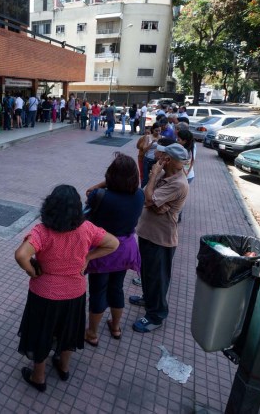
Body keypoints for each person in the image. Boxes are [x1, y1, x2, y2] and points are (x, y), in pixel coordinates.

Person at [15, 185, 119, 392]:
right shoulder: (87, 229)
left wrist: (31, 271)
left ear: (50, 206)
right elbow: (113, 243)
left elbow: (21, 255)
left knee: (41, 333)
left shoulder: (42, 232)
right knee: (68, 330)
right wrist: (88, 257)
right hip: (74, 293)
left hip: (43, 294)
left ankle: (39, 377)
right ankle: (63, 367)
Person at [83, 154, 144, 346]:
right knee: (116, 288)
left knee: (98, 290)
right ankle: (116, 327)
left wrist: (103, 184)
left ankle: (92, 333)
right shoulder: (139, 195)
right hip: (125, 249)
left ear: (110, 176)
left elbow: (90, 194)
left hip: (102, 250)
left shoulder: (101, 196)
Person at [129, 143, 190, 333]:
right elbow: (145, 193)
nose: (158, 158)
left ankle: (156, 315)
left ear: (168, 159)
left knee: (158, 278)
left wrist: (154, 175)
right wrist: (154, 202)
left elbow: (148, 199)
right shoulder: (167, 175)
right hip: (148, 233)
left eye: (161, 156)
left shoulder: (177, 182)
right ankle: (148, 299)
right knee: (147, 272)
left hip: (161, 239)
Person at [177, 128, 195, 222]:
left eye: (179, 139)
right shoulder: (188, 147)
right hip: (186, 175)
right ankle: (177, 216)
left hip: (185, 176)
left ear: (185, 141)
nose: (177, 141)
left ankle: (177, 217)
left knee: (179, 198)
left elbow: (190, 162)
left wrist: (186, 174)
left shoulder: (186, 150)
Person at [140, 123, 162, 188]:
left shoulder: (162, 137)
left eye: (159, 131)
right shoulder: (148, 137)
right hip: (148, 160)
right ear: (152, 129)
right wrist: (152, 143)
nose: (158, 132)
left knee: (155, 178)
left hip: (157, 161)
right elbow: (144, 149)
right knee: (145, 178)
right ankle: (142, 192)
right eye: (156, 130)